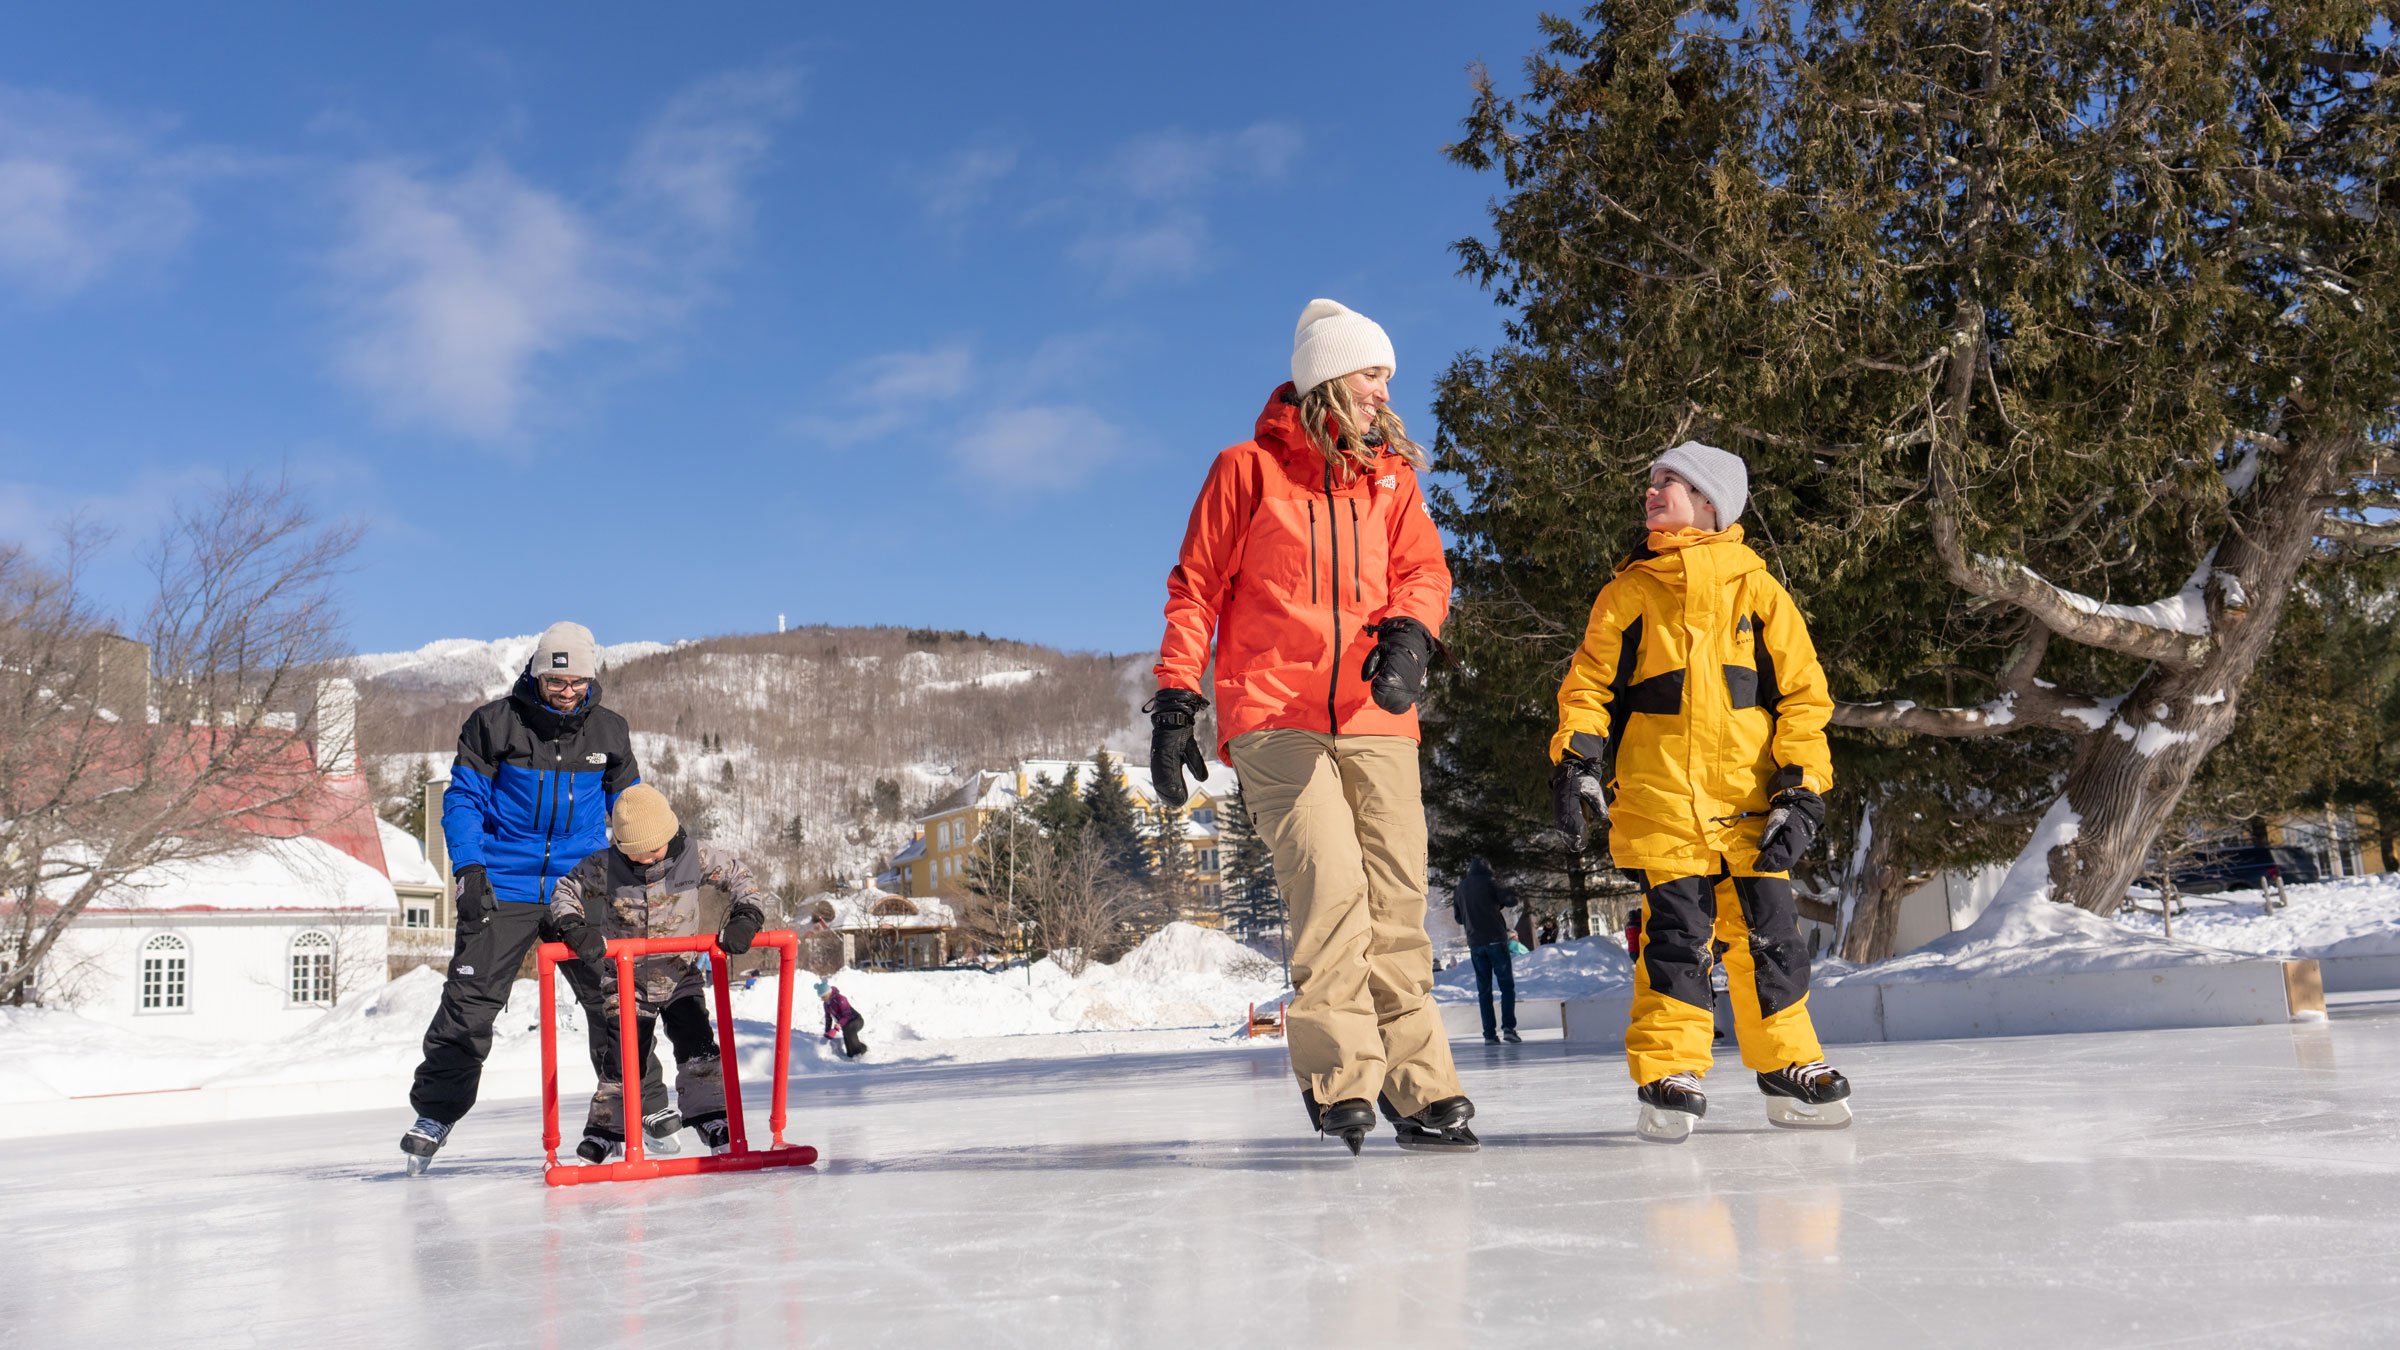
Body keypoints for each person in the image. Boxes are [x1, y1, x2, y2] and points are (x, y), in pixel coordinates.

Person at [1150, 298, 1476, 1155]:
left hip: (1376, 715)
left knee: (1398, 902)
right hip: (1274, 712)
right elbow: (1196, 587)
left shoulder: (1391, 480)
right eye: (1372, 373)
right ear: (1328, 376)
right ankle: (1340, 1078)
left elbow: (1425, 573)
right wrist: (1178, 697)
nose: (1385, 391)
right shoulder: (1247, 470)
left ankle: (1420, 1085)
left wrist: (1412, 634)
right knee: (1331, 891)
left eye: (1388, 377)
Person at [1549, 442, 1853, 1142]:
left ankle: (1788, 1062)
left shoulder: (1761, 593)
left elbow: (1803, 701)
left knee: (1772, 938)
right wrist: (1576, 760)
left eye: (1671, 482)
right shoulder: (1630, 593)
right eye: (1651, 479)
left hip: (1751, 807)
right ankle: (1671, 1070)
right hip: (1663, 801)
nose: (1653, 490)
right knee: (1677, 940)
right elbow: (1589, 688)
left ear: (1711, 502)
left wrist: (1801, 789)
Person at [398, 622, 663, 1174]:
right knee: (471, 999)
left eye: (576, 681)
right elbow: (464, 800)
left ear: (591, 679)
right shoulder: (494, 724)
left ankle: (642, 1101)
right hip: (505, 882)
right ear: (537, 675)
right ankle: (435, 1114)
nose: (566, 691)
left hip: (581, 885)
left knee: (614, 995)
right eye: (555, 680)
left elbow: (633, 807)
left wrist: (656, 862)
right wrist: (469, 868)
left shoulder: (609, 731)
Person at [551, 784, 770, 1160]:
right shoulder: (606, 865)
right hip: (626, 981)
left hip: (680, 975)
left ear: (669, 833)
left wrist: (746, 917)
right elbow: (565, 890)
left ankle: (711, 1118)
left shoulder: (695, 856)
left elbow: (742, 879)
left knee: (697, 1047)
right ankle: (607, 1130)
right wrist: (574, 928)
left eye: (654, 849)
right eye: (635, 851)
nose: (647, 858)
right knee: (622, 1055)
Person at [1450, 857, 1521, 1044]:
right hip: (1496, 940)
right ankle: (1508, 1029)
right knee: (1506, 986)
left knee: (1484, 990)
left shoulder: (1460, 888)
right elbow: (1511, 900)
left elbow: (1459, 918)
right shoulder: (1491, 882)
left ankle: (1489, 1034)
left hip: (1476, 943)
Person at [818, 981, 866, 1059]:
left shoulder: (840, 999)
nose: (822, 999)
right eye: (821, 997)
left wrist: (836, 1028)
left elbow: (847, 1015)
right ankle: (855, 1052)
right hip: (845, 1024)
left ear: (828, 993)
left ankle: (859, 1053)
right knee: (849, 1051)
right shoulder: (826, 1004)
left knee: (849, 1029)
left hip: (856, 1020)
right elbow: (828, 1018)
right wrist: (827, 1032)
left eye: (823, 996)